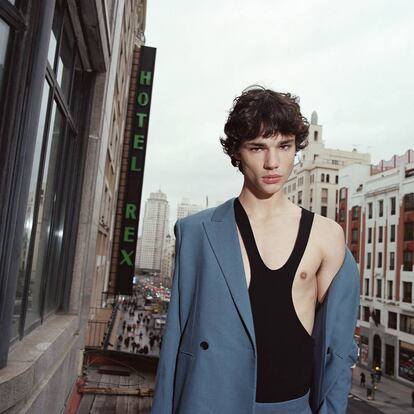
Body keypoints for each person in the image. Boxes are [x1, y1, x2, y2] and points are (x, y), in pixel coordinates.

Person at [151, 86, 360, 414]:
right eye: (257, 147)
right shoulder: (195, 233)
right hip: (207, 402)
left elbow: (339, 348)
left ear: (296, 148)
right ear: (237, 152)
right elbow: (173, 345)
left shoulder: (326, 235)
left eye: (284, 146)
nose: (273, 162)